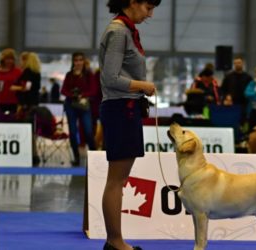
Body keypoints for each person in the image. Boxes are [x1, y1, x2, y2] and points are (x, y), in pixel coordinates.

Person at [99, 0, 160, 249]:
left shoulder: (127, 31)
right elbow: (110, 77)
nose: (150, 14)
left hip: (127, 109)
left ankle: (115, 241)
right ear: (133, 2)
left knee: (119, 180)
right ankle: (115, 242)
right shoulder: (118, 32)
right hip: (120, 109)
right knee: (116, 181)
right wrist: (142, 85)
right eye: (148, 7)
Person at [61, 52, 96, 166]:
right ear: (73, 61)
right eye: (76, 60)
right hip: (71, 106)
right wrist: (73, 95)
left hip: (84, 105)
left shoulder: (89, 74)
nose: (78, 62)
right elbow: (63, 90)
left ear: (84, 61)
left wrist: (83, 95)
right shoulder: (69, 75)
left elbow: (93, 90)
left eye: (80, 60)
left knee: (88, 132)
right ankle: (76, 158)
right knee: (72, 132)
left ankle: (94, 157)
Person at [11, 52, 42, 119]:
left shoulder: (28, 72)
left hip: (26, 102)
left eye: (21, 60)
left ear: (25, 61)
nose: (20, 63)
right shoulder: (37, 73)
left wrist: (14, 87)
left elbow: (27, 87)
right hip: (34, 100)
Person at [221, 56, 253, 121]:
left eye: (239, 63)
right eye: (235, 63)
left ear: (242, 63)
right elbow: (223, 89)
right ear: (234, 64)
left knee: (243, 122)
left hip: (244, 104)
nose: (237, 65)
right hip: (231, 104)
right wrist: (226, 96)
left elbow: (251, 90)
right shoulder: (228, 76)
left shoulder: (248, 77)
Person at [0, 48, 22, 120]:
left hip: (13, 102)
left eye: (12, 59)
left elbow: (23, 86)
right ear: (3, 59)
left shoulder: (18, 72)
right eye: (7, 59)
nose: (10, 61)